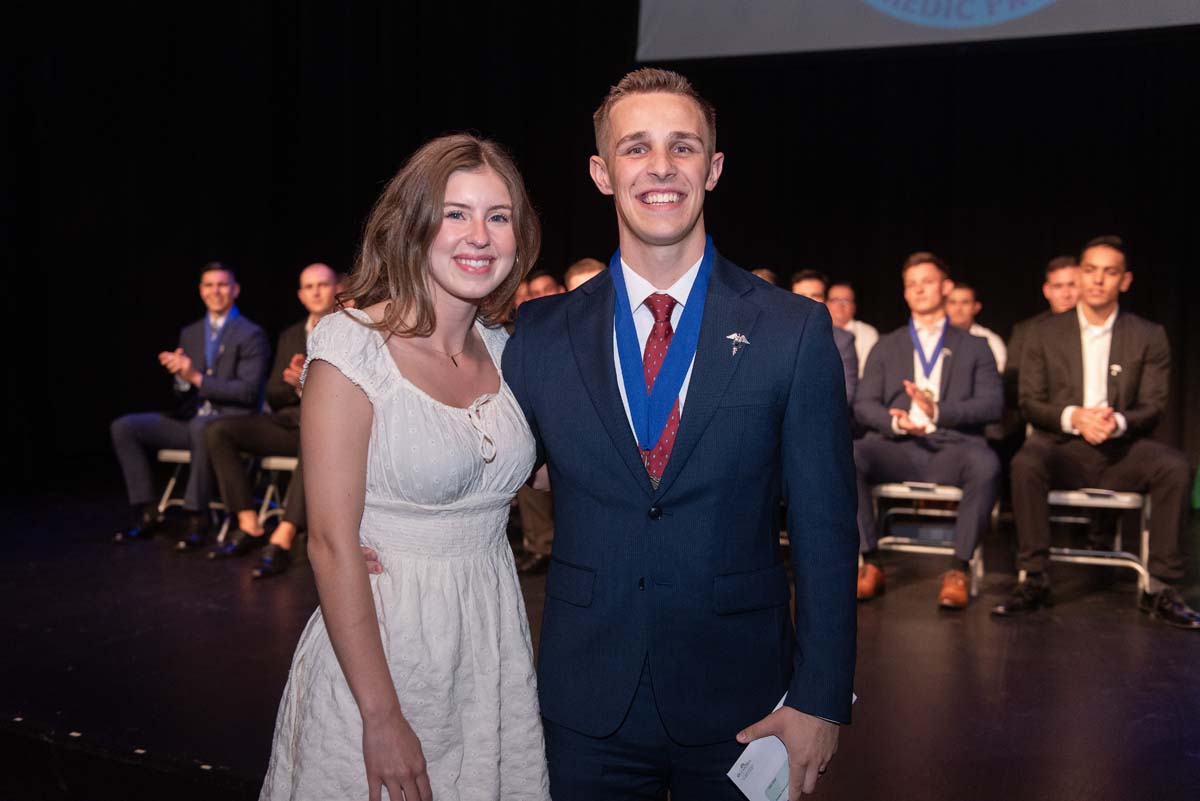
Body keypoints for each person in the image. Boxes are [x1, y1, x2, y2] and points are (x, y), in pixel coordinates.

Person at [503, 68, 857, 800]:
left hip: (745, 704)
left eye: (683, 147)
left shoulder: (792, 330)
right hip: (582, 701)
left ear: (714, 168)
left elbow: (825, 529)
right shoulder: (538, 334)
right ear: (602, 173)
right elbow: (484, 478)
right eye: (636, 148)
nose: (660, 167)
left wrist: (822, 696)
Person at [260, 134, 551, 800]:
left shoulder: (510, 353)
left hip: (489, 644)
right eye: (455, 213)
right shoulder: (352, 344)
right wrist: (381, 716)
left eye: (498, 216)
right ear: (414, 223)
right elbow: (332, 541)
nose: (480, 235)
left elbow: (549, 472)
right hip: (382, 650)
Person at [995, 236, 1198, 628]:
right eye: (1090, 270)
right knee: (1026, 463)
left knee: (1174, 466)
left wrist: (1115, 421)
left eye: (1110, 272)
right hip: (1062, 445)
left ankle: (1160, 587)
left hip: (1120, 447)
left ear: (1125, 280)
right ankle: (1034, 578)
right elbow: (1030, 400)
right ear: (1080, 275)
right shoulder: (1045, 332)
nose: (1098, 280)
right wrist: (1075, 417)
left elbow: (1154, 404)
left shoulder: (1147, 334)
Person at [853, 252, 1002, 609]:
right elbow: (863, 404)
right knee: (849, 454)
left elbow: (992, 405)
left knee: (986, 465)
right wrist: (895, 420)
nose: (919, 289)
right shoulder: (886, 345)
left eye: (928, 281)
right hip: (897, 444)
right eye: (911, 284)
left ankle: (959, 568)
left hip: (952, 447)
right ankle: (870, 561)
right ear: (905, 294)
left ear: (946, 287)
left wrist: (940, 411)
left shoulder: (975, 346)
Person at [111, 263, 269, 549]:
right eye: (209, 285)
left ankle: (197, 516)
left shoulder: (250, 333)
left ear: (235, 290)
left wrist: (194, 376)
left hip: (231, 424)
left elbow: (247, 392)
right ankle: (148, 511)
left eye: (222, 285)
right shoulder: (191, 332)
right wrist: (181, 379)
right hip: (193, 419)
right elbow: (184, 392)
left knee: (202, 427)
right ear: (200, 291)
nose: (215, 291)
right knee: (125, 427)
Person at [204, 262, 339, 577]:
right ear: (301, 295)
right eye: (309, 287)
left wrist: (308, 384)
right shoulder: (291, 335)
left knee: (316, 440)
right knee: (219, 431)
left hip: (330, 431)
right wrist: (296, 386)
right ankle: (249, 523)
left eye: (323, 284)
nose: (316, 291)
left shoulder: (349, 330)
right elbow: (274, 393)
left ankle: (285, 534)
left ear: (337, 290)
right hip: (289, 423)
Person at [1005, 255, 1080, 410]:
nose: (1066, 294)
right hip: (1040, 417)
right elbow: (1013, 382)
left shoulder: (1098, 328)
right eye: (1058, 286)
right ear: (1047, 290)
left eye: (1072, 285)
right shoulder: (1026, 331)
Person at [791, 269, 859, 404]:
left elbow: (846, 395)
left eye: (815, 295)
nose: (807, 301)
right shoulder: (777, 337)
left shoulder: (843, 341)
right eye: (800, 295)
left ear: (826, 301)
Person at [946, 282, 1007, 372]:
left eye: (965, 302)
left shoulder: (990, 340)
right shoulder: (932, 337)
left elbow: (995, 375)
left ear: (976, 307)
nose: (958, 308)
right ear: (943, 306)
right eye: (952, 302)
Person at [827, 282, 879, 378]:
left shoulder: (868, 333)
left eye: (846, 300)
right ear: (826, 303)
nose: (840, 305)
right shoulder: (819, 331)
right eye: (835, 300)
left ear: (854, 306)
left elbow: (871, 372)